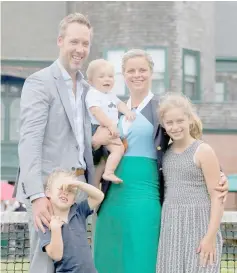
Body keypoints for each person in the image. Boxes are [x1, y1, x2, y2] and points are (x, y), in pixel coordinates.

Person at [92, 49, 228, 273]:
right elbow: (96, 156)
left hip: (145, 197)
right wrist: (94, 143)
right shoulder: (110, 108)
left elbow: (191, 142)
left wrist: (219, 174)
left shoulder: (162, 109)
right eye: (131, 71)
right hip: (111, 200)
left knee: (142, 261)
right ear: (123, 75)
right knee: (109, 261)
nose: (137, 75)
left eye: (142, 70)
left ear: (152, 72)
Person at [13, 13, 94, 273]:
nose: (80, 49)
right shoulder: (39, 83)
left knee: (76, 264)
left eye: (85, 43)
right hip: (48, 192)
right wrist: (37, 196)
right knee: (46, 264)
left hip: (78, 191)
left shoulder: (87, 89)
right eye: (74, 42)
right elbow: (30, 142)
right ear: (60, 41)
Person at [156, 93, 223, 273]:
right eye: (169, 123)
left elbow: (217, 197)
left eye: (180, 121)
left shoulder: (203, 150)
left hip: (200, 225)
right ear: (163, 125)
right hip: (171, 226)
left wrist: (210, 238)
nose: (175, 127)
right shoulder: (165, 154)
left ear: (189, 120)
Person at [38, 169, 104, 273]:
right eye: (61, 188)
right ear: (48, 192)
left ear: (74, 200)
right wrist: (55, 229)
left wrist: (78, 184)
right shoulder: (46, 221)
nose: (65, 193)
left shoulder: (79, 211)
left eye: (70, 190)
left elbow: (99, 196)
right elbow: (56, 255)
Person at [86, 59, 135, 184]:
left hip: (109, 127)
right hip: (98, 127)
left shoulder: (110, 94)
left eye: (110, 76)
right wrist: (110, 125)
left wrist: (128, 112)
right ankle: (100, 177)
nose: (107, 79)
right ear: (91, 81)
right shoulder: (93, 93)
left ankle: (108, 172)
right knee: (110, 151)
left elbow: (119, 104)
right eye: (101, 76)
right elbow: (96, 111)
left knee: (118, 149)